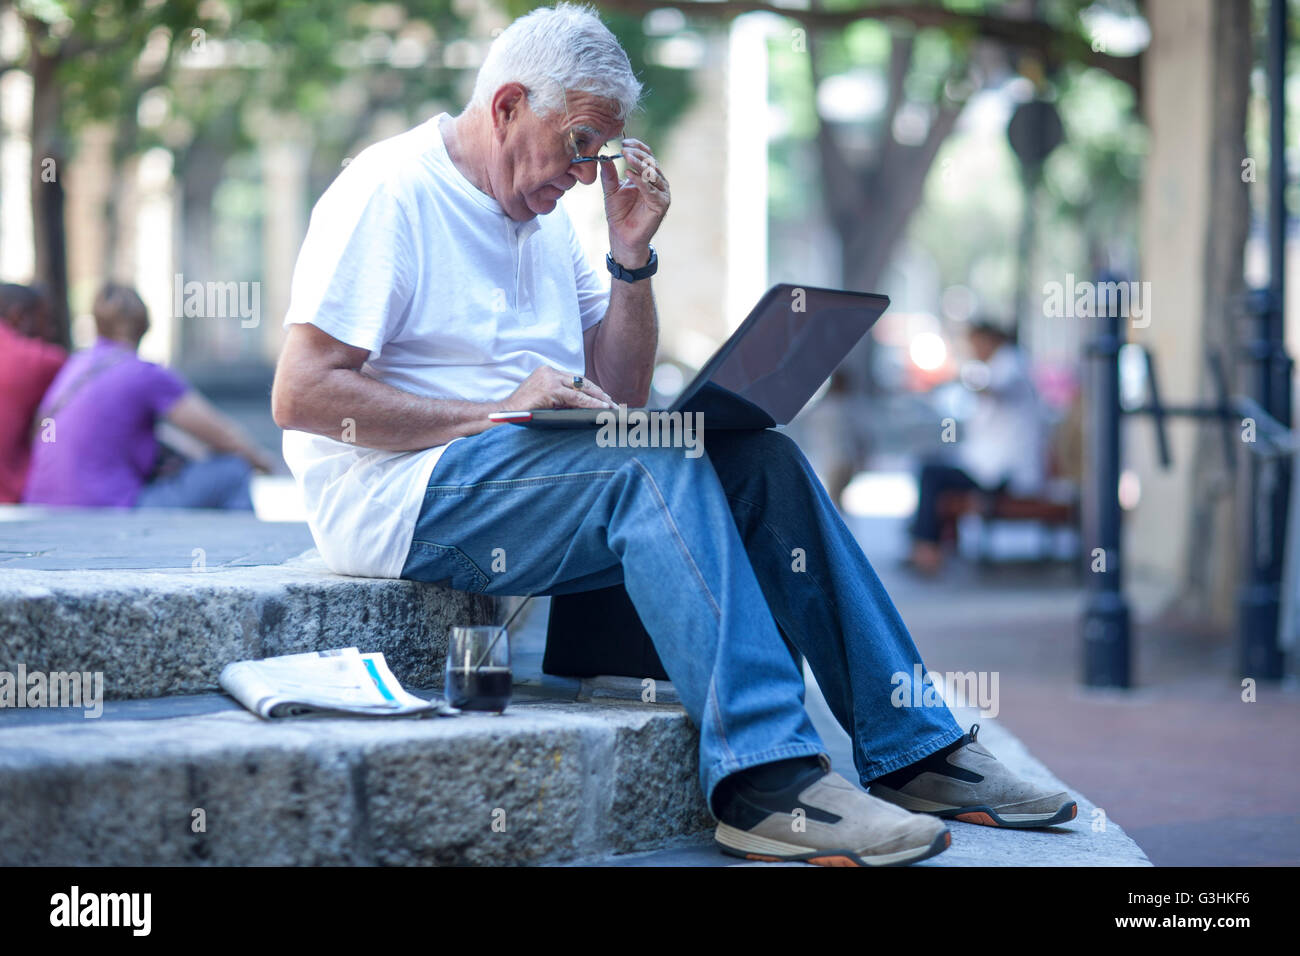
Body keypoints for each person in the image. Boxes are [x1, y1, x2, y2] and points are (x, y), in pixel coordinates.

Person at [271, 3, 1075, 866]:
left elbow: (617, 393)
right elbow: (303, 393)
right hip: (403, 493)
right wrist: (497, 411)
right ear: (507, 105)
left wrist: (630, 259)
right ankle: (767, 780)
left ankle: (917, 748)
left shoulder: (551, 225)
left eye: (601, 153)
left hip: (530, 483)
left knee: (759, 457)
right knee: (648, 461)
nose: (585, 176)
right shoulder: (389, 192)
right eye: (579, 144)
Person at [23, 282, 275, 509]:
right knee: (232, 471)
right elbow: (221, 434)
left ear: (97, 324)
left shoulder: (75, 365)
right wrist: (261, 461)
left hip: (42, 502)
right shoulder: (145, 374)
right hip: (107, 507)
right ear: (145, 326)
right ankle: (247, 556)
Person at [907, 320, 1048, 574]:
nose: (973, 349)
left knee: (931, 472)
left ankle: (927, 550)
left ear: (990, 339)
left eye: (975, 343)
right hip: (989, 467)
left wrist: (954, 376)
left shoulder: (1011, 364)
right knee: (932, 469)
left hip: (1003, 472)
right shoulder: (997, 367)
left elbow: (993, 388)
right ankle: (928, 546)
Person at [0, 283, 66, 503]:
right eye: (45, 320)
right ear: (18, 316)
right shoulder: (40, 361)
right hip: (12, 501)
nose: (50, 331)